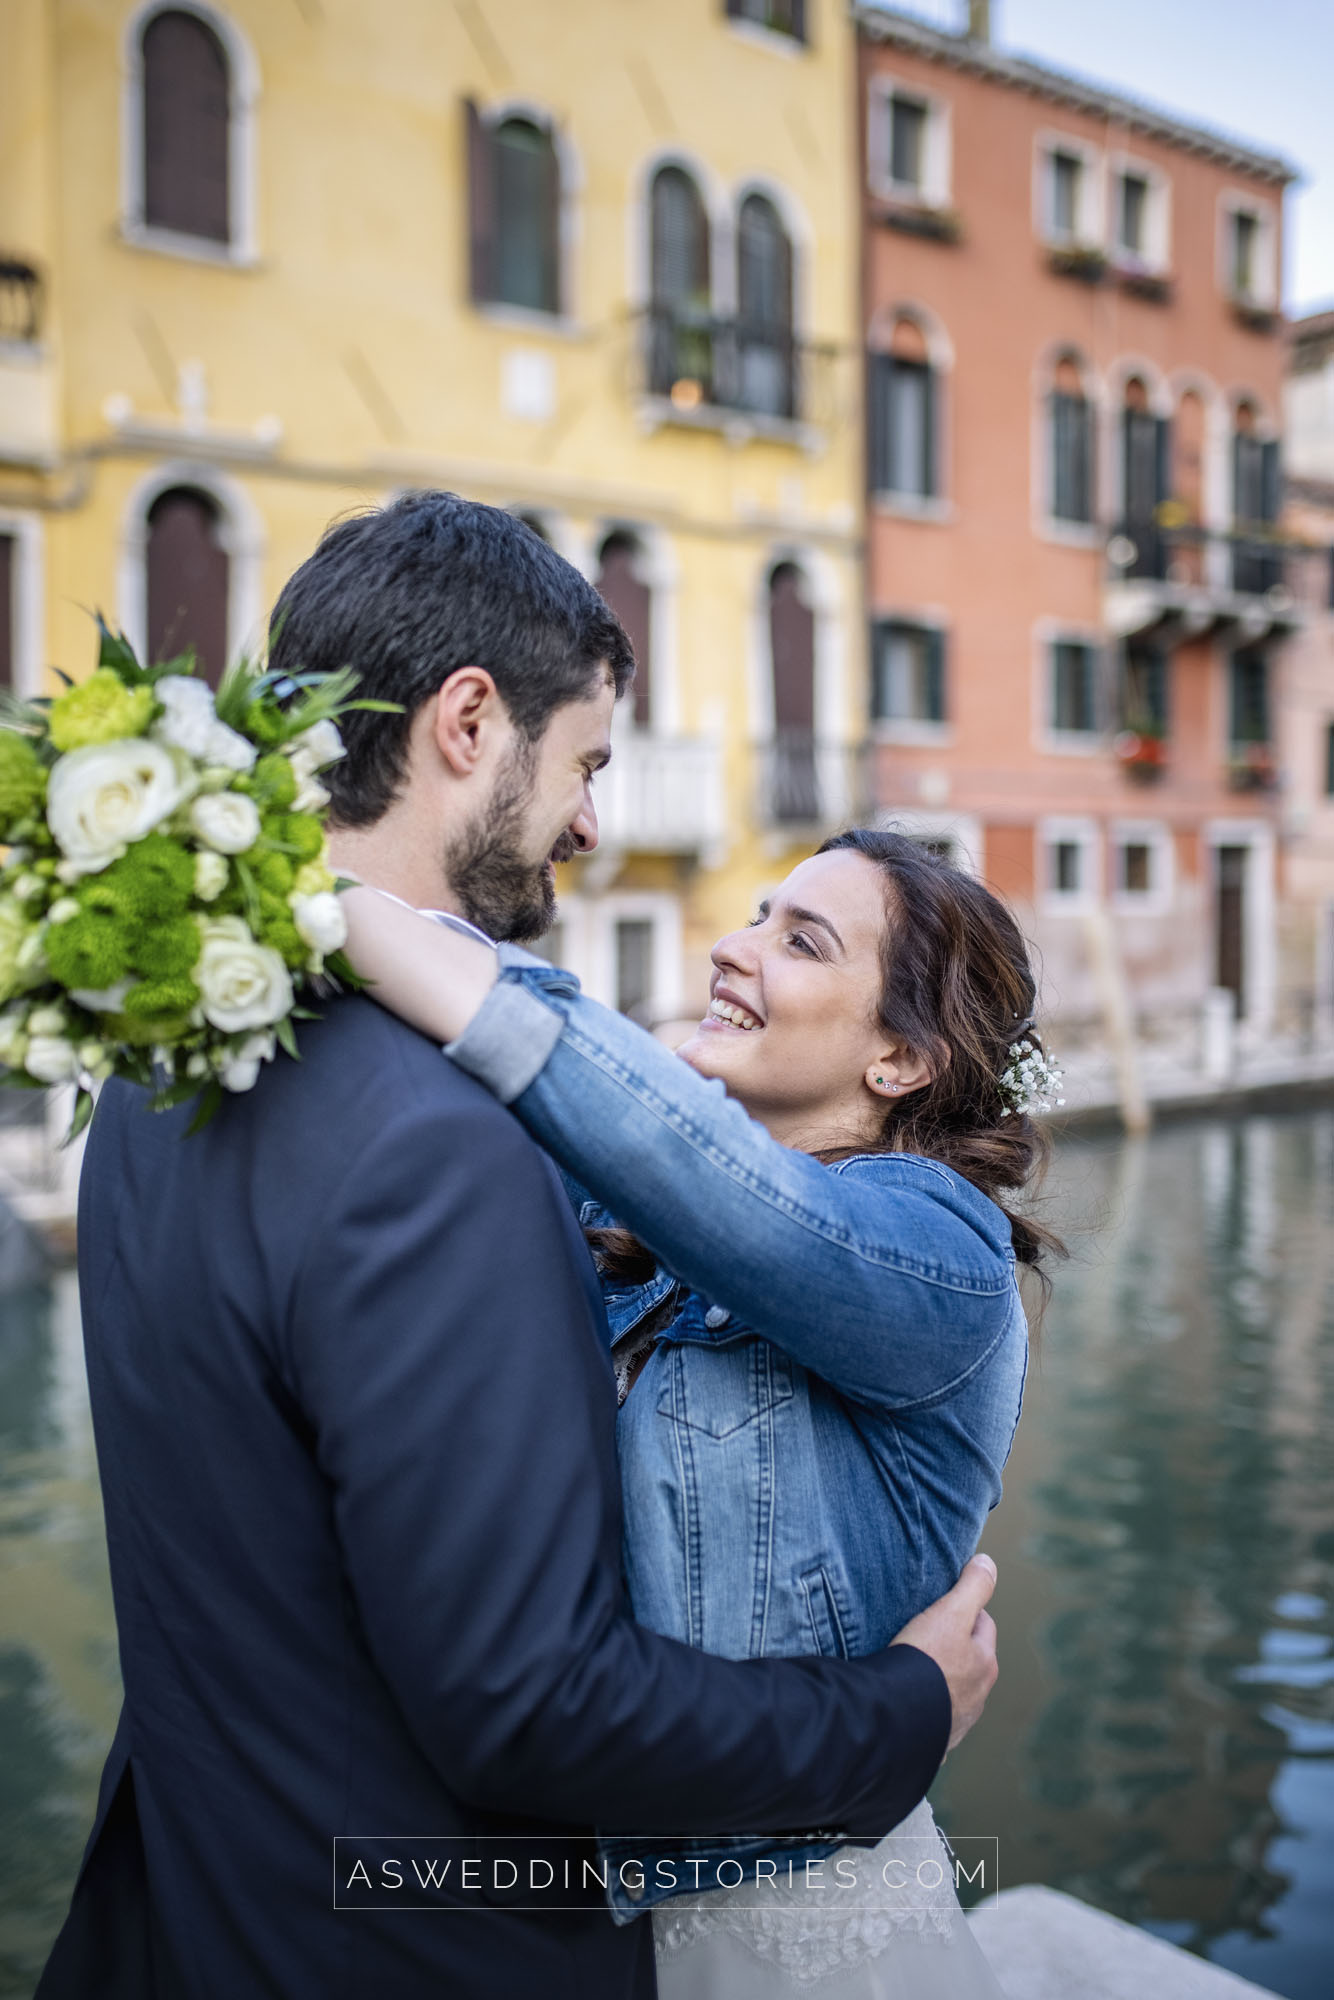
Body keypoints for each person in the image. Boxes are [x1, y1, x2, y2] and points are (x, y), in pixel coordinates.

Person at [36, 493, 999, 2000]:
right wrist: (897, 1713)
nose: (594, 823)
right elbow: (526, 1704)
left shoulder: (160, 1064)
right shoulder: (443, 1146)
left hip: (202, 1909)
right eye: (587, 763)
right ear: (469, 723)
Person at [337, 812, 1060, 1998]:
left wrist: (380, 921)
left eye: (802, 941)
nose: (735, 946)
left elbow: (689, 1164)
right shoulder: (633, 1229)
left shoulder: (940, 1250)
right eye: (754, 916)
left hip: (804, 1919)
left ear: (899, 1059)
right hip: (591, 1916)